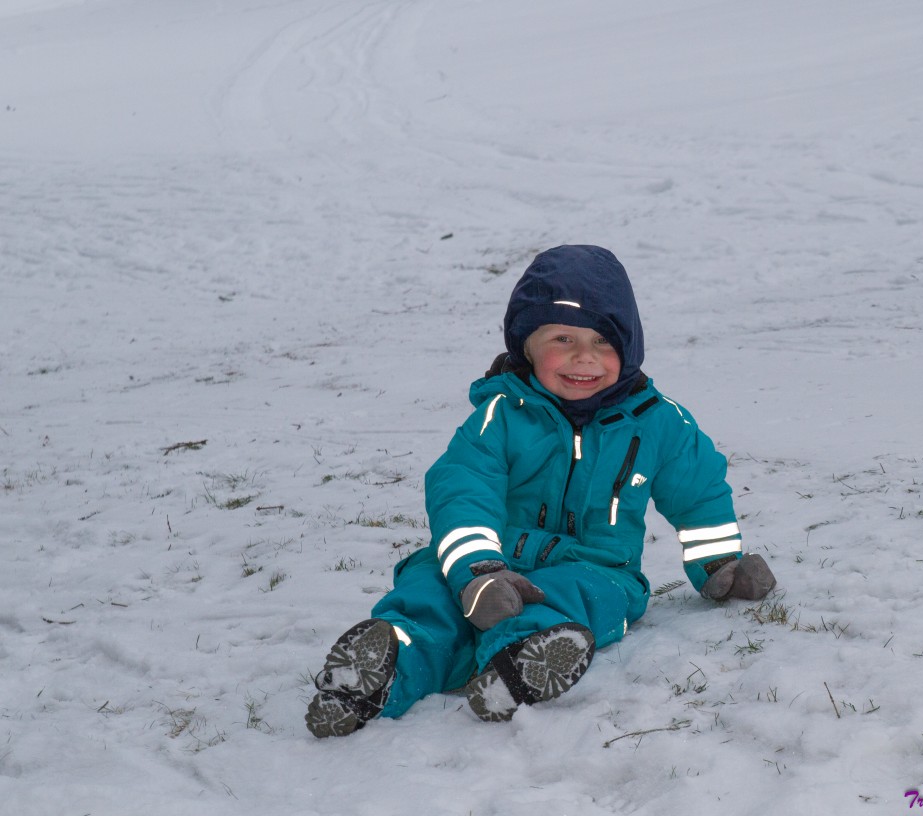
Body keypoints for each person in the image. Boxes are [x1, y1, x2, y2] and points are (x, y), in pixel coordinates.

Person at [305, 245, 776, 738]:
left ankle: (518, 665)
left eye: (602, 340)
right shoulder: (501, 416)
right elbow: (464, 489)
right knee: (428, 597)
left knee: (582, 597)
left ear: (629, 346)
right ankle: (376, 674)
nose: (584, 357)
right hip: (490, 559)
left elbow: (698, 494)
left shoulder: (659, 423)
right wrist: (477, 571)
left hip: (595, 565)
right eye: (562, 338)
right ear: (526, 345)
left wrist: (719, 564)